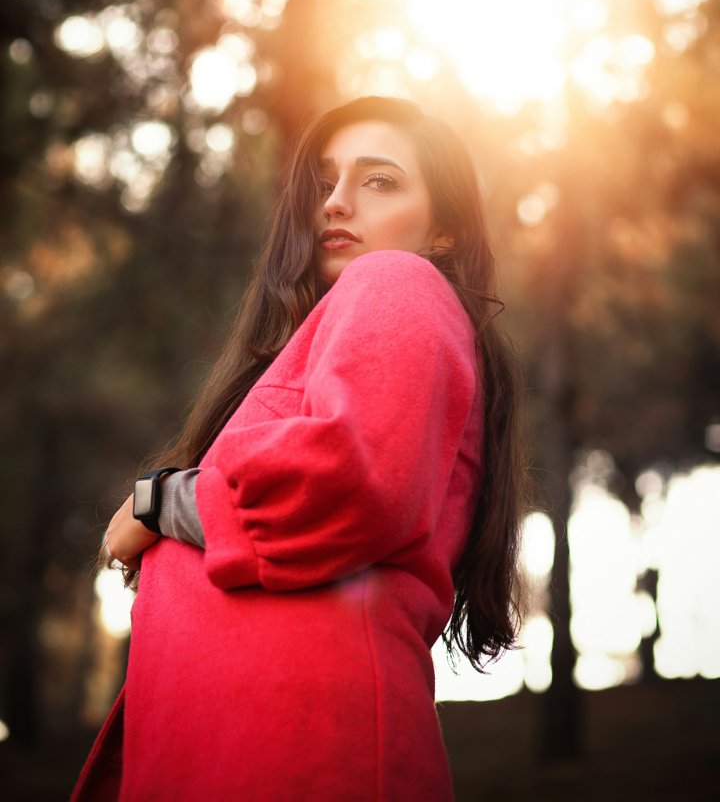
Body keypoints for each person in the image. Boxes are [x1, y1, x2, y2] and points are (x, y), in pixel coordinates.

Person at [72, 95, 526, 802]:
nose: (337, 203)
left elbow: (352, 480)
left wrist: (162, 501)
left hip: (295, 748)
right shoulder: (350, 326)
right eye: (323, 182)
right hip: (241, 745)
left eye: (379, 181)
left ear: (443, 232)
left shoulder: (397, 278)